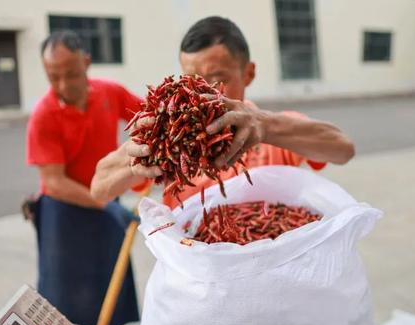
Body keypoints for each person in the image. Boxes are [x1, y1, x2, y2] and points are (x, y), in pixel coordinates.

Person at [90, 16, 355, 207]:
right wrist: (137, 157)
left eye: (218, 79)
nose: (205, 94)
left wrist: (266, 126)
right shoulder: (174, 139)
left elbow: (343, 149)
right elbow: (99, 189)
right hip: (199, 270)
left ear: (248, 73)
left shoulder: (270, 129)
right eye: (193, 80)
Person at [25, 30, 142, 325]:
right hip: (63, 212)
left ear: (86, 63)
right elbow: (54, 182)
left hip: (105, 201)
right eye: (54, 77)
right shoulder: (44, 115)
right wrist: (105, 205)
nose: (64, 86)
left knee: (109, 283)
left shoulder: (109, 93)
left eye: (72, 75)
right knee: (64, 294)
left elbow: (148, 115)